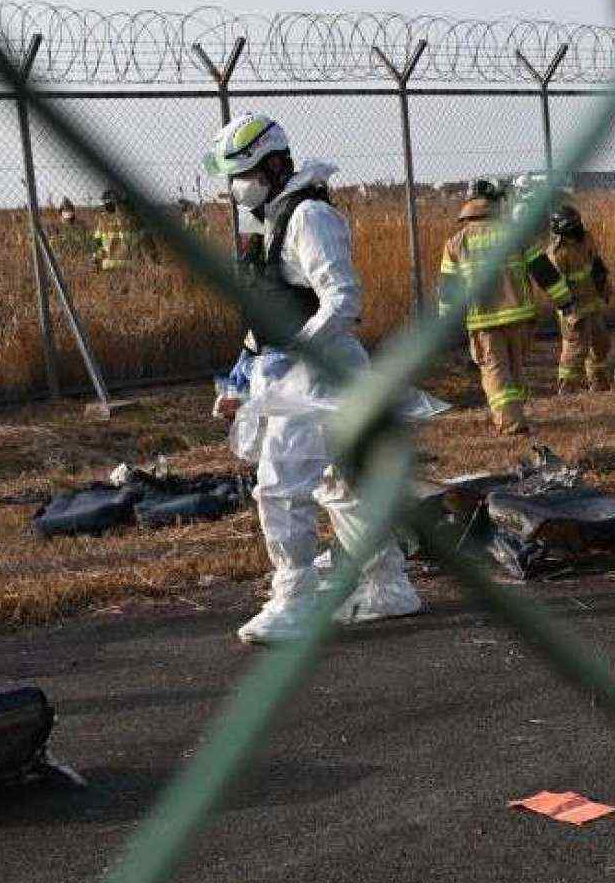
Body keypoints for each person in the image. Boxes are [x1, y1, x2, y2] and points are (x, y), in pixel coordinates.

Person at [203, 112, 423, 644]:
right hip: (305, 369)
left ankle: (296, 598)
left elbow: (342, 301)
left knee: (278, 486)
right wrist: (240, 381)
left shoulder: (309, 217)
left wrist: (294, 361)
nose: (237, 188)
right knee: (340, 484)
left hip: (320, 371)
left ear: (276, 165)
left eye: (245, 173)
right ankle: (388, 587)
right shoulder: (275, 222)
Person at [439, 177, 573, 433]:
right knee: (514, 369)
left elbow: (448, 289)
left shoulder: (456, 243)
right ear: (495, 204)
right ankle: (514, 413)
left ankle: (511, 423)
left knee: (495, 371)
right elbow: (543, 270)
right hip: (520, 317)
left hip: (484, 321)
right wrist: (564, 300)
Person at [545, 201, 614, 392]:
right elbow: (555, 287)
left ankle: (598, 384)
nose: (578, 229)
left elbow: (597, 265)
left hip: (593, 303)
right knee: (576, 349)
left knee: (601, 344)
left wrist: (606, 287)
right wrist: (568, 310)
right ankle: (567, 390)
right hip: (573, 309)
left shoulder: (586, 239)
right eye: (573, 227)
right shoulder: (556, 253)